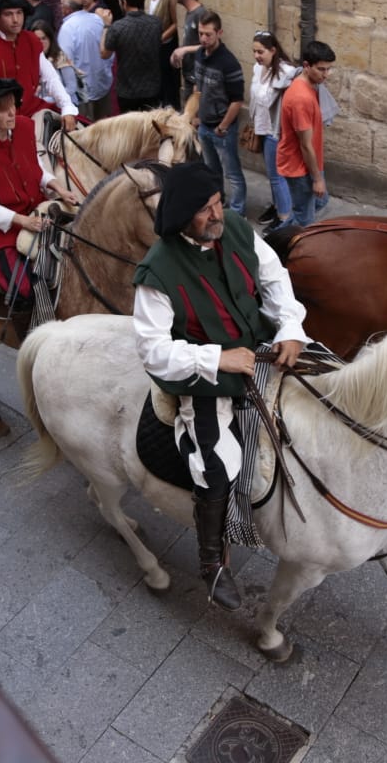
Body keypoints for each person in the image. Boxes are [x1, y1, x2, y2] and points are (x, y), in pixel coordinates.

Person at [132, 162, 308, 609]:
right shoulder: (157, 272)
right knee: (216, 464)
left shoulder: (235, 229)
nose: (217, 215)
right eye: (206, 209)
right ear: (182, 217)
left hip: (260, 343)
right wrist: (217, 358)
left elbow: (273, 278)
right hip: (206, 373)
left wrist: (289, 327)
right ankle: (213, 562)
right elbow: (153, 351)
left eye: (217, 204)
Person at [0, 78, 83, 300]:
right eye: (4, 110)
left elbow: (37, 169)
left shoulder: (23, 126)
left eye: (13, 105)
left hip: (35, 209)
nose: (12, 113)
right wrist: (25, 221)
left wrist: (59, 188)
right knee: (24, 290)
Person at [0, 0, 78, 129]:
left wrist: (66, 106)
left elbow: (51, 77)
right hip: (1, 122)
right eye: (8, 14)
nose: (15, 19)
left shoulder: (31, 40)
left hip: (34, 110)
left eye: (19, 13)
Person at [189, 11, 246, 216]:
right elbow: (198, 86)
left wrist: (223, 126)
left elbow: (237, 100)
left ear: (219, 33)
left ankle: (238, 211)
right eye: (201, 34)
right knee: (211, 171)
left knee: (233, 173)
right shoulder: (199, 55)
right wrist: (196, 115)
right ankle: (218, 203)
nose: (203, 39)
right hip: (204, 125)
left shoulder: (228, 63)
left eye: (208, 34)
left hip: (223, 128)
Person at [276, 40, 336, 226]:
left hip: (308, 163)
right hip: (299, 167)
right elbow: (305, 144)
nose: (326, 75)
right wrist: (317, 179)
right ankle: (281, 244)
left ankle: (278, 237)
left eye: (328, 69)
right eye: (321, 69)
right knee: (304, 219)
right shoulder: (301, 98)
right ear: (306, 66)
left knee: (318, 202)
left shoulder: (310, 87)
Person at [247, 30, 300, 231]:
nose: (256, 56)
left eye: (260, 52)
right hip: (261, 127)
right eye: (254, 51)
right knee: (271, 174)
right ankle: (278, 206)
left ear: (273, 50)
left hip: (276, 132)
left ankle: (285, 217)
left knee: (277, 176)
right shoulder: (257, 69)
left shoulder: (287, 73)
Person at [100, 0, 163, 113]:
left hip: (128, 91)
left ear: (124, 2)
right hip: (152, 88)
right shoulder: (156, 23)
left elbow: (104, 54)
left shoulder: (117, 28)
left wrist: (106, 25)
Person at [57, 0, 113, 120]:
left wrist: (69, 94)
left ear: (67, 8)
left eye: (61, 5)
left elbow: (65, 63)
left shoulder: (67, 29)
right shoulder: (97, 20)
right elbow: (110, 52)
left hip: (83, 94)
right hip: (102, 85)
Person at [169, 0, 206, 105]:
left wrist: (184, 50)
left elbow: (208, 45)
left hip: (197, 79)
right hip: (189, 75)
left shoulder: (201, 14)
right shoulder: (189, 13)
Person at [33, 21, 80, 110]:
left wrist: (48, 99)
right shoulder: (32, 59)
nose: (41, 42)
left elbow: (71, 87)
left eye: (44, 38)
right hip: (42, 108)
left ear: (50, 39)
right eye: (37, 39)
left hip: (63, 107)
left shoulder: (60, 57)